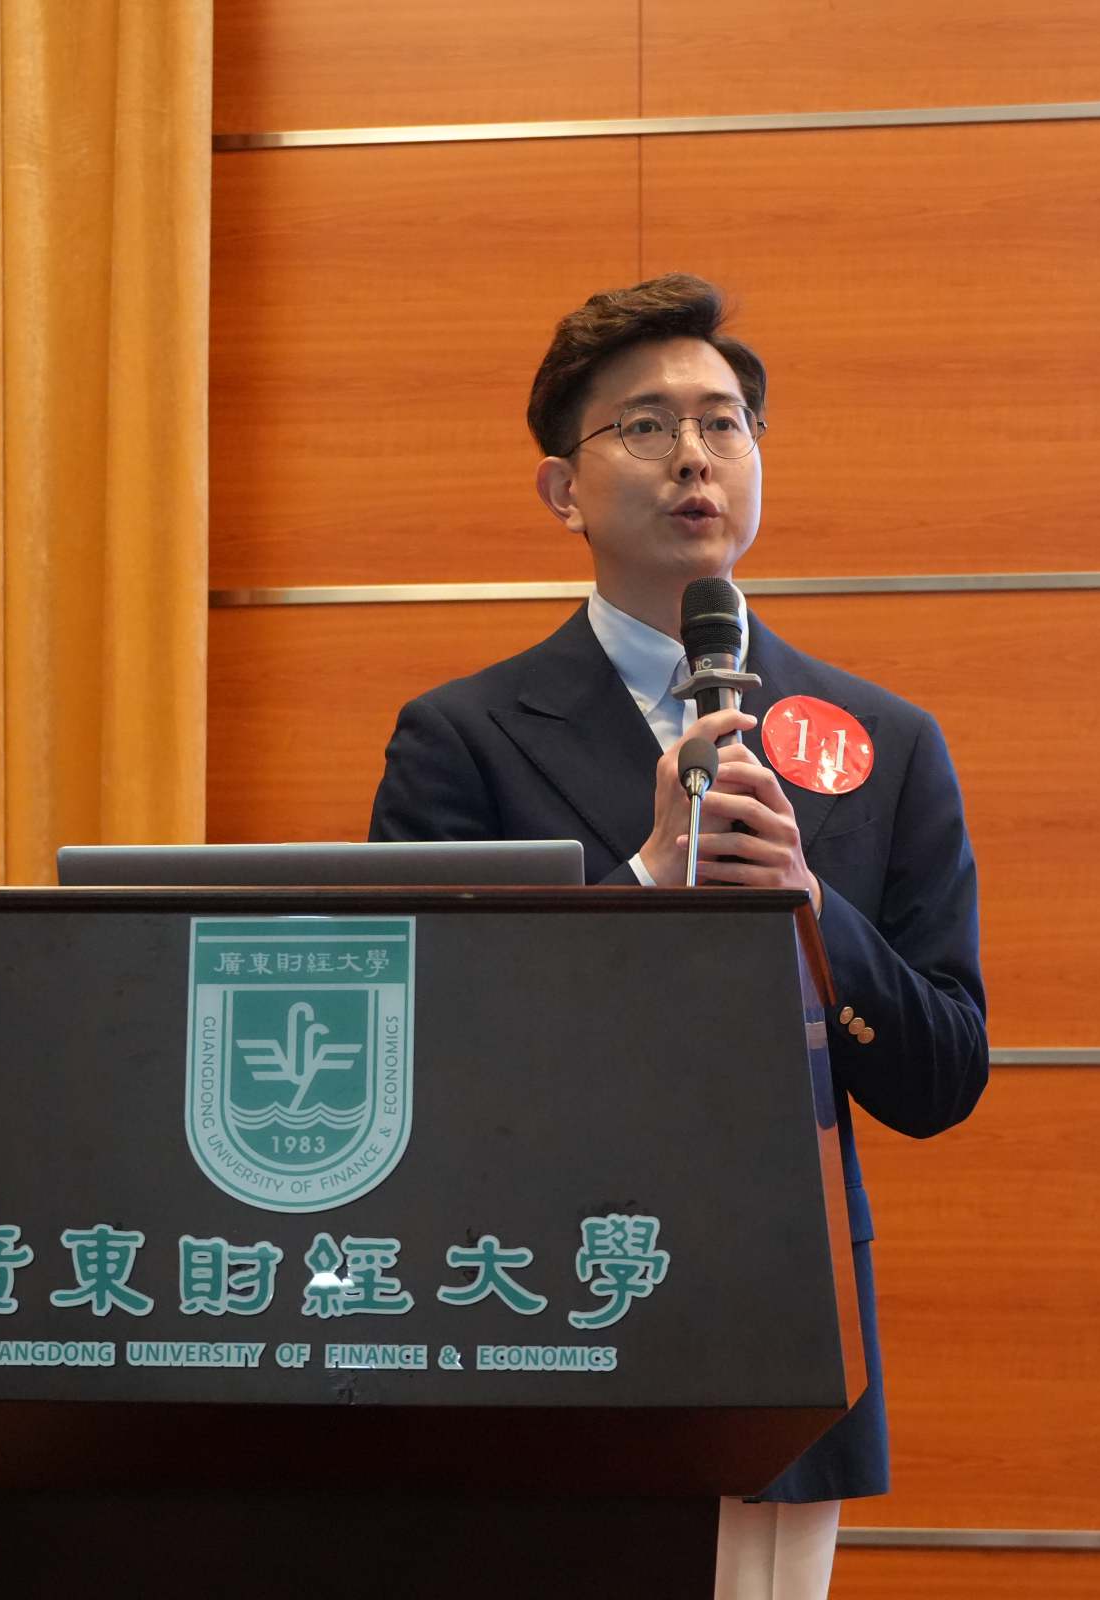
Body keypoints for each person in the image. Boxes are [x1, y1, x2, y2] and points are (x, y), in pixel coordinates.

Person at [367, 274, 988, 1600]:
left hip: (776, 1312)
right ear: (563, 489)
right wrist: (648, 879)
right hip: (522, 1303)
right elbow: (417, 1048)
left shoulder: (884, 741)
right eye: (646, 426)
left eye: (724, 423)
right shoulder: (462, 738)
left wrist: (810, 909)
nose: (695, 456)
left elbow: (942, 1075)